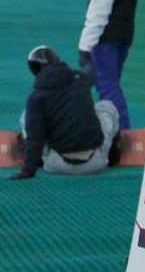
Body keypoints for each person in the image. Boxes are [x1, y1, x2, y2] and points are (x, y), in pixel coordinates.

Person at [8, 45, 121, 179]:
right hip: (95, 163)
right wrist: (86, 58)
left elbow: (35, 135)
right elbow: (91, 71)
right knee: (106, 105)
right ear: (58, 60)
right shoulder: (81, 78)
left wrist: (27, 171)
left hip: (56, 165)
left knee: (28, 116)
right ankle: (112, 154)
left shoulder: (36, 97)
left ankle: (37, 158)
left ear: (35, 71)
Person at [77, 0, 139, 133]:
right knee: (110, 84)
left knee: (107, 87)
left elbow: (99, 10)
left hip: (106, 38)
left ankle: (122, 136)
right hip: (123, 36)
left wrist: (85, 46)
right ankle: (113, 132)